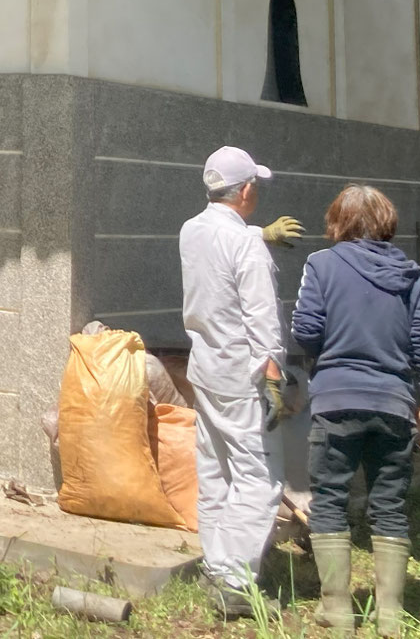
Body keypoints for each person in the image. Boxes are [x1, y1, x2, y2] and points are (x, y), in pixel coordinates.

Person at [291, 185, 420, 635]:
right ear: (386, 223)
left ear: (337, 222)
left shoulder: (321, 264)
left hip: (336, 401)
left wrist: (332, 356)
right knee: (389, 506)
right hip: (395, 405)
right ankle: (391, 616)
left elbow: (305, 329)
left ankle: (337, 612)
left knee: (330, 501)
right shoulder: (412, 275)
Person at [180, 145, 290, 619]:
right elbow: (261, 316)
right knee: (260, 476)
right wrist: (274, 378)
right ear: (245, 190)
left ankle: (216, 561)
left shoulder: (190, 230)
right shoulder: (246, 244)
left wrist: (256, 235)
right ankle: (233, 581)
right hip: (242, 374)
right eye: (255, 187)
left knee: (215, 465)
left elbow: (217, 256)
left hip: (205, 366)